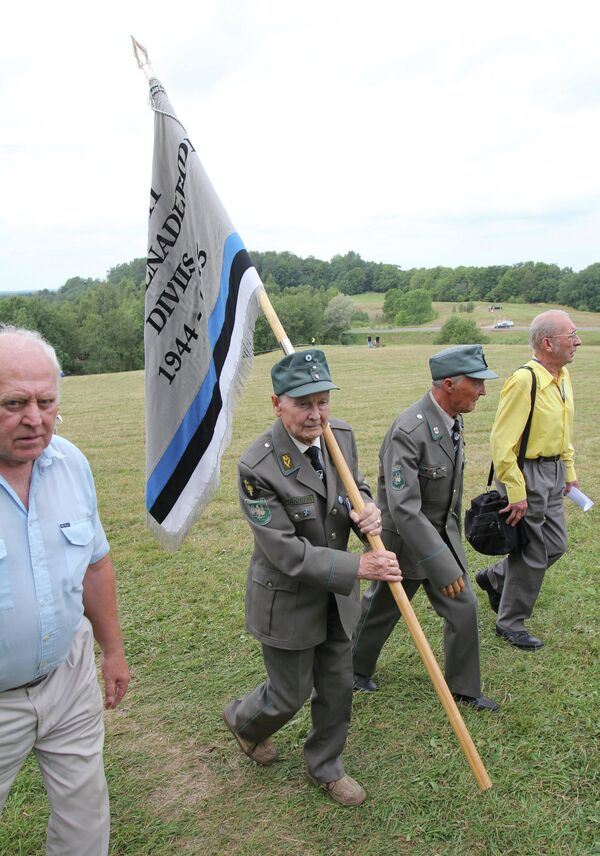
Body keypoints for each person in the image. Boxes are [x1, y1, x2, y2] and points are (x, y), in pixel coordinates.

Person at [223, 349, 401, 806]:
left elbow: (352, 485)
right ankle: (245, 721)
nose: (316, 414)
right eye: (303, 403)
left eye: (323, 401)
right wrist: (358, 567)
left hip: (336, 596)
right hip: (288, 596)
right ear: (276, 403)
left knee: (338, 687)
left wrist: (366, 507)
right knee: (289, 693)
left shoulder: (339, 436)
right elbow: (282, 550)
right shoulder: (256, 467)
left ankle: (325, 767)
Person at [0, 326, 130, 856]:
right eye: (13, 403)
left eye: (46, 401)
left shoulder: (70, 463)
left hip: (68, 676)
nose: (35, 418)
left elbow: (95, 563)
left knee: (84, 816)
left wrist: (112, 650)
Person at [352, 345, 499, 711]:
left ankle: (463, 690)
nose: (483, 391)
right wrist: (442, 563)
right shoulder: (408, 430)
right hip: (405, 544)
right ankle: (352, 671)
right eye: (476, 383)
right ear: (449, 384)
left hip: (442, 537)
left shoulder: (452, 420)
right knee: (380, 611)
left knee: (463, 606)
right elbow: (403, 508)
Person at [476, 310, 582, 649]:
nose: (578, 341)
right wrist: (517, 491)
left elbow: (563, 431)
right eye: (572, 335)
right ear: (548, 343)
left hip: (553, 472)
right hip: (527, 475)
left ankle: (494, 578)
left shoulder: (562, 376)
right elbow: (502, 442)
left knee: (557, 544)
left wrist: (569, 472)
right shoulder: (525, 380)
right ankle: (510, 622)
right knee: (533, 552)